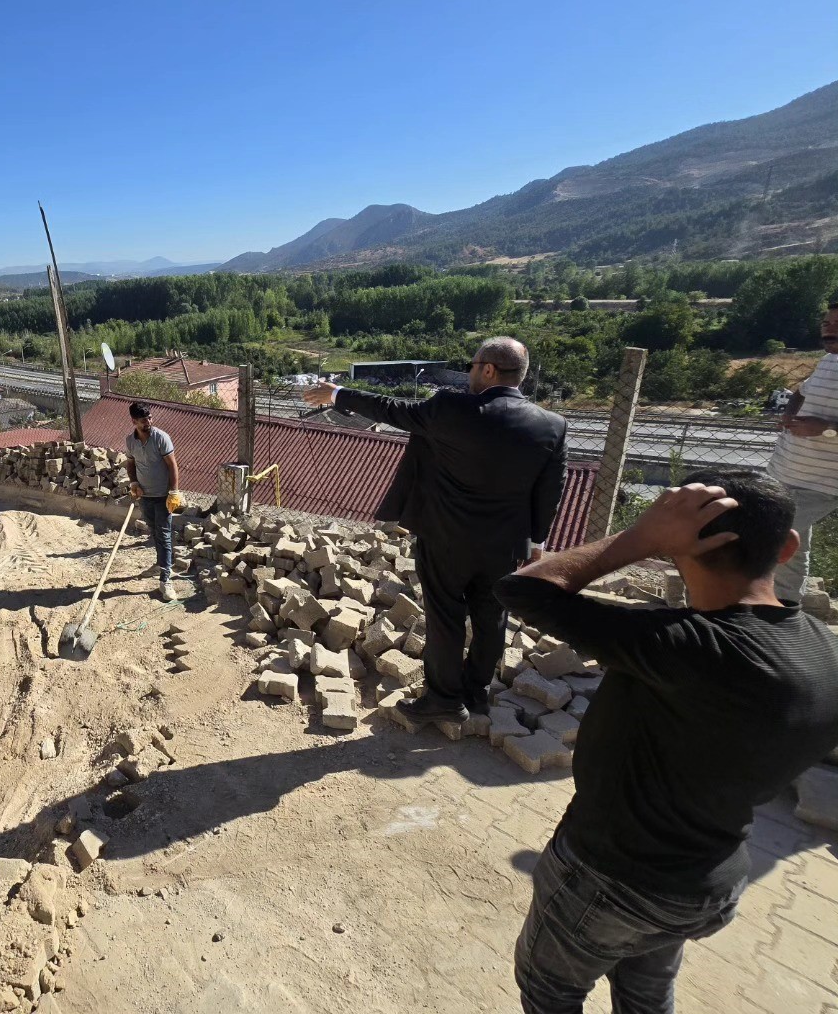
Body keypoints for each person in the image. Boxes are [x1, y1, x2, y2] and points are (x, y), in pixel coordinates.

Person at [494, 474, 838, 1013]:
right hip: (707, 882)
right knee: (646, 994)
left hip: (610, 879)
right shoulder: (826, 655)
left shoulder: (684, 645)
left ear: (679, 545)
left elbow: (522, 588)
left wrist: (640, 537)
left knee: (549, 991)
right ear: (788, 546)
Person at [303, 337, 568, 725]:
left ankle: (444, 699)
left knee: (445, 615)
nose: (469, 372)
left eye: (473, 365)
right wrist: (537, 542)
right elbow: (551, 491)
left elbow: (392, 410)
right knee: (492, 618)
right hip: (506, 546)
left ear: (489, 370)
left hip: (447, 540)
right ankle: (476, 693)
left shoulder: (450, 409)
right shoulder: (552, 425)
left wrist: (337, 393)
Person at [767, 301, 838, 601]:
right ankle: (784, 604)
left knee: (779, 530)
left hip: (822, 481)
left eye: (837, 323)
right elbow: (801, 392)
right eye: (826, 322)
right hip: (785, 468)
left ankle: (779, 606)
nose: (827, 328)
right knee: (792, 540)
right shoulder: (829, 361)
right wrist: (788, 414)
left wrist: (826, 428)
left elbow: (825, 425)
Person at [123, 402, 183, 602]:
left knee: (164, 534)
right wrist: (133, 483)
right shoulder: (130, 441)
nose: (148, 422)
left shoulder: (161, 438)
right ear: (134, 421)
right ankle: (161, 563)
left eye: (149, 418)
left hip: (163, 496)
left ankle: (166, 579)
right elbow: (131, 463)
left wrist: (174, 491)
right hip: (145, 496)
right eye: (143, 420)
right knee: (154, 531)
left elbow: (172, 465)